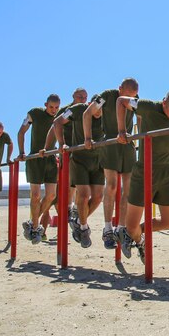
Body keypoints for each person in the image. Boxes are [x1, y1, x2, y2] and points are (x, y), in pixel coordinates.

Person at [116, 90, 169, 261]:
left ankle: (134, 235)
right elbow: (120, 101)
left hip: (167, 172)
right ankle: (137, 238)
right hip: (144, 171)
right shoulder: (147, 107)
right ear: (164, 103)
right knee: (132, 225)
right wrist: (121, 131)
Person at [85, 78, 140, 249]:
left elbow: (140, 117)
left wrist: (143, 138)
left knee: (129, 188)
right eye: (126, 95)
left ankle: (121, 227)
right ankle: (108, 228)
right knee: (112, 186)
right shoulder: (106, 96)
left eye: (132, 96)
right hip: (110, 143)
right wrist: (88, 138)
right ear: (119, 89)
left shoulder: (135, 100)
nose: (128, 98)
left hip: (128, 144)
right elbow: (87, 113)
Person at [53, 100, 105, 248]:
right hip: (79, 159)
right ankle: (83, 227)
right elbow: (57, 122)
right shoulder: (77, 110)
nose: (98, 113)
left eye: (101, 111)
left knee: (98, 197)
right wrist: (61, 143)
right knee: (83, 195)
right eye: (96, 110)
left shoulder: (106, 114)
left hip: (98, 160)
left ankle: (77, 221)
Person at [18, 94, 61, 244]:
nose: (54, 110)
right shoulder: (35, 113)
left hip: (50, 159)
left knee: (51, 195)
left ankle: (31, 222)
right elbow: (21, 132)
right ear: (45, 105)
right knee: (35, 195)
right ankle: (35, 227)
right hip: (35, 158)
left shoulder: (60, 118)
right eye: (51, 107)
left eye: (56, 107)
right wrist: (22, 151)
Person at [51, 88, 88, 220]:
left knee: (80, 185)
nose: (82, 99)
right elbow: (54, 127)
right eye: (80, 97)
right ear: (73, 96)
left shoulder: (86, 109)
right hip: (67, 150)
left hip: (81, 150)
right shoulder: (66, 110)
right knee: (68, 185)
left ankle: (74, 210)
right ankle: (67, 210)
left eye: (84, 97)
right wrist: (57, 145)